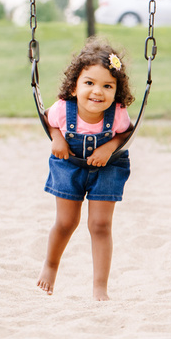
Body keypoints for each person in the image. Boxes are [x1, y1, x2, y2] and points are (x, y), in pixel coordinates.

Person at [37, 38, 134, 300]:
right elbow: (49, 120)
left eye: (107, 86)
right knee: (66, 222)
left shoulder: (119, 113)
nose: (97, 91)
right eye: (89, 83)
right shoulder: (62, 109)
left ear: (117, 90)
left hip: (108, 167)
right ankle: (51, 265)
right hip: (69, 165)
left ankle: (100, 286)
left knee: (100, 225)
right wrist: (57, 138)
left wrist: (109, 147)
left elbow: (125, 133)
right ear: (74, 86)